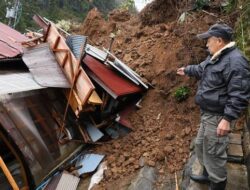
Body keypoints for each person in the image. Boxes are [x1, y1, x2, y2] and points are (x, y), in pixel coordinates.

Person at [177, 23, 250, 190]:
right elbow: (201, 69)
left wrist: (227, 119)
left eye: (208, 40)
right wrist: (187, 70)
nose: (206, 44)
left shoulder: (236, 62)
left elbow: (239, 95)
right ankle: (207, 175)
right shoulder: (215, 57)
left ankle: (217, 183)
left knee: (214, 153)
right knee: (201, 146)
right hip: (207, 114)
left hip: (218, 117)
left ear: (219, 40)